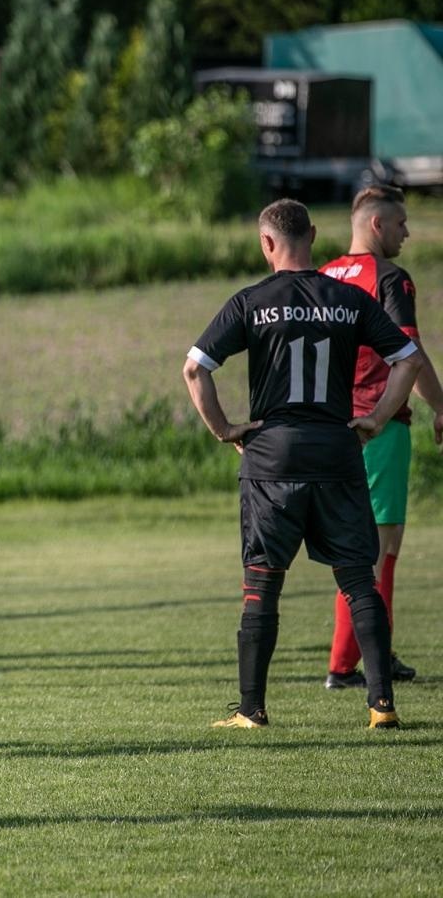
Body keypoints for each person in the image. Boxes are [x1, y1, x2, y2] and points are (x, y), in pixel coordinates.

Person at [183, 198, 422, 730]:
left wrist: (226, 430)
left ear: (267, 243)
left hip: (272, 458)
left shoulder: (250, 302)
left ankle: (252, 709)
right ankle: (381, 705)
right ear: (312, 235)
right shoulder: (348, 298)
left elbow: (195, 369)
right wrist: (378, 418)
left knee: (263, 583)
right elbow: (407, 359)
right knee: (359, 580)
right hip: (337, 451)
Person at [318, 184, 443, 690]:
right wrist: (440, 404)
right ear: (376, 224)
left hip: (324, 428)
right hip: (378, 424)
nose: (407, 232)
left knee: (358, 543)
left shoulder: (321, 275)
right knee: (379, 546)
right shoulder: (390, 279)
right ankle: (351, 663)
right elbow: (407, 357)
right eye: (400, 223)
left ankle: (372, 653)